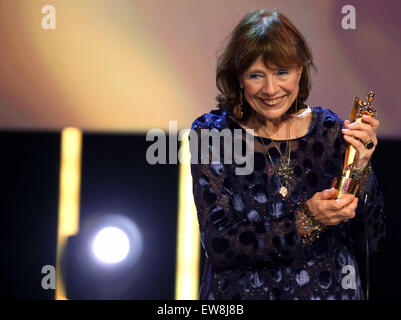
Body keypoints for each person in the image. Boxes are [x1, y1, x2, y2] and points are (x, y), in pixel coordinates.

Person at [189, 9, 385, 300]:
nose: (271, 89)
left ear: (300, 71)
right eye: (257, 75)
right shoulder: (213, 135)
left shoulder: (330, 130)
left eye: (282, 72)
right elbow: (220, 245)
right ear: (239, 78)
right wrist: (306, 221)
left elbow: (373, 238)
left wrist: (360, 167)